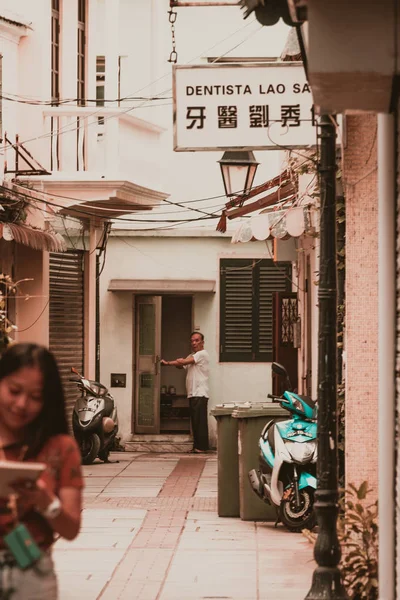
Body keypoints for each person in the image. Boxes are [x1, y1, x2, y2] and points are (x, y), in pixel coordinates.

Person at [0, 343, 84, 599]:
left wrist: (46, 502)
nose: (21, 404)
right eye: (14, 391)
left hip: (32, 571)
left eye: (35, 397)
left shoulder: (60, 448)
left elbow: (70, 529)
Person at [161, 331, 209, 453]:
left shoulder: (202, 354)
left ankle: (202, 447)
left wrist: (168, 363)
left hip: (200, 392)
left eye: (197, 340)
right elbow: (182, 365)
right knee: (195, 422)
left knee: (200, 422)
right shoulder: (192, 355)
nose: (194, 343)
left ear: (202, 342)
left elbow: (184, 362)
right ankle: (197, 447)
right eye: (192, 340)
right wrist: (178, 362)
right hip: (193, 393)